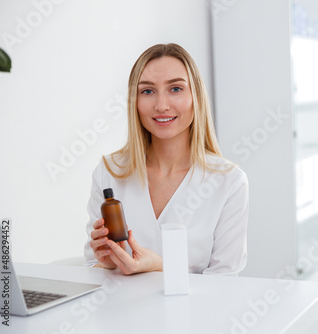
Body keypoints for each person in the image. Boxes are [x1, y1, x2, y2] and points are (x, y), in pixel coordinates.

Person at [84, 43, 248, 276]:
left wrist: (161, 267)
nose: (161, 106)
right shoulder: (109, 172)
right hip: (121, 312)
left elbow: (225, 284)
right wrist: (107, 263)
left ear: (196, 97)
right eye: (147, 91)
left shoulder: (229, 181)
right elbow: (91, 270)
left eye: (176, 89)